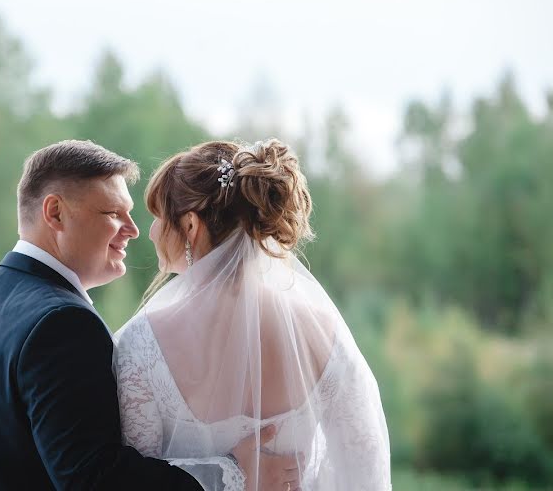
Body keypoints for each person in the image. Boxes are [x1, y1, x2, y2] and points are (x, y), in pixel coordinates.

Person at [0, 140, 299, 490]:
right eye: (113, 214)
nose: (134, 230)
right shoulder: (62, 324)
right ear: (55, 212)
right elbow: (95, 479)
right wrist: (233, 474)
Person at [114, 139, 392, 491]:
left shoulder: (142, 344)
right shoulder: (323, 331)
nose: (151, 231)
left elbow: (130, 481)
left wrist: (224, 476)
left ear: (189, 227)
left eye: (157, 217)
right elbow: (366, 467)